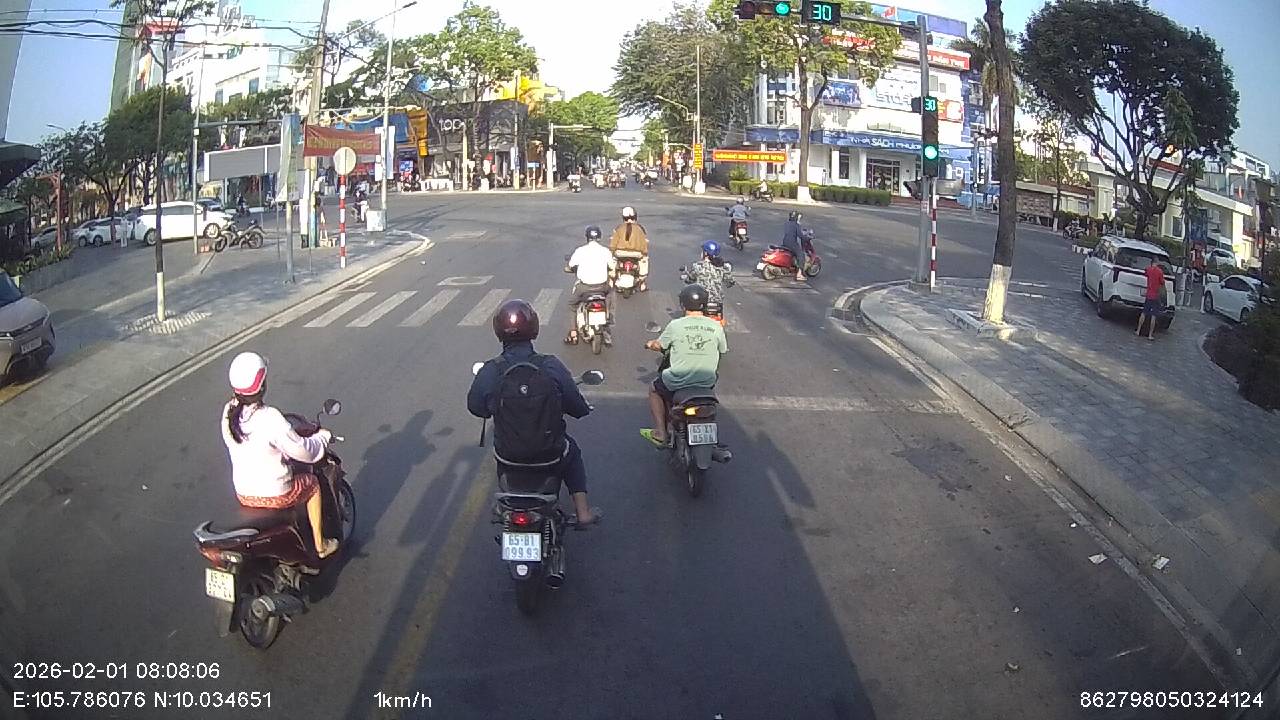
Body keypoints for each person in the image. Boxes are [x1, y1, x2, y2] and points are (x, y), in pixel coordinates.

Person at [467, 300, 603, 527]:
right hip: (550, 455)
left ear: (498, 331)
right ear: (534, 328)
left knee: (499, 448)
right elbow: (576, 405)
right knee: (572, 452)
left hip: (509, 456)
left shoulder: (492, 369)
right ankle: (583, 513)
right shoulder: (550, 365)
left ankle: (505, 504)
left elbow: (475, 407)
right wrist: (580, 409)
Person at [221, 352, 339, 559]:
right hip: (276, 494)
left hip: (244, 493)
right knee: (312, 484)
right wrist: (322, 438)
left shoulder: (229, 411)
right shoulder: (270, 417)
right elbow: (306, 452)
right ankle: (321, 546)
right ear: (262, 385)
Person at [640, 284, 728, 448]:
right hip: (706, 382)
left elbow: (660, 345)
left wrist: (650, 344)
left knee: (654, 389)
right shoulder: (716, 326)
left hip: (678, 381)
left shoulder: (675, 325)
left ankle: (661, 433)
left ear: (682, 304)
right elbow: (722, 349)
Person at [565, 225, 616, 346]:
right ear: (599, 237)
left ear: (587, 237)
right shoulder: (605, 251)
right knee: (610, 295)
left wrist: (569, 268)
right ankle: (608, 317)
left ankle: (573, 333)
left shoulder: (580, 251)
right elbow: (612, 266)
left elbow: (571, 265)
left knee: (572, 305)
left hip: (584, 288)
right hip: (602, 287)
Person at [681, 240, 735, 312]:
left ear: (705, 253)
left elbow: (690, 279)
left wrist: (687, 279)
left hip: (701, 301)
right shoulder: (723, 267)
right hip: (717, 302)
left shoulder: (698, 266)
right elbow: (730, 283)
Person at [608, 206, 650, 292]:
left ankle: (611, 281)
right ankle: (642, 284)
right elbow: (644, 245)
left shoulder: (619, 228)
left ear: (623, 218)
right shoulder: (640, 228)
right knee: (644, 261)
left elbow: (613, 245)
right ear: (635, 217)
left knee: (612, 260)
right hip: (636, 254)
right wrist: (644, 253)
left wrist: (612, 250)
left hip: (620, 253)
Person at [1136, 257, 1166, 340]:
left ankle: (1138, 330)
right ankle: (1150, 335)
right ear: (1157, 262)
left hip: (1148, 295)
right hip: (1156, 296)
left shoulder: (1148, 269)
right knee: (1153, 316)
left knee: (1144, 313)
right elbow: (1162, 282)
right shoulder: (1160, 271)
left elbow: (1145, 272)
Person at [781, 211, 806, 281]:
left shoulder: (787, 223)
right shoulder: (796, 225)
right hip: (792, 243)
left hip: (785, 242)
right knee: (801, 255)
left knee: (793, 253)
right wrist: (807, 238)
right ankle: (799, 274)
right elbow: (801, 236)